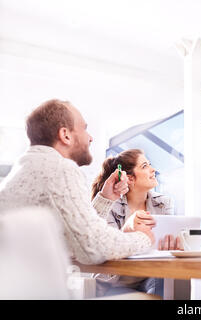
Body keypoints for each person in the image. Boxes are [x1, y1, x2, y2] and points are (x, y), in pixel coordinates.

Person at [0, 99, 155, 266]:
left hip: (15, 288)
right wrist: (144, 238)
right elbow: (93, 248)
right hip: (33, 290)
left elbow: (73, 237)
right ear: (65, 135)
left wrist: (106, 198)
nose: (90, 138)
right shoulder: (59, 168)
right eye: (84, 128)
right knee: (152, 294)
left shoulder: (28, 168)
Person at [91, 148, 180, 297]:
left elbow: (163, 247)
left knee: (165, 279)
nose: (153, 170)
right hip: (116, 281)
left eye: (150, 164)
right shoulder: (110, 206)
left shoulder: (163, 203)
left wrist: (172, 248)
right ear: (130, 178)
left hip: (149, 276)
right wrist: (127, 230)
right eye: (145, 166)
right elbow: (106, 253)